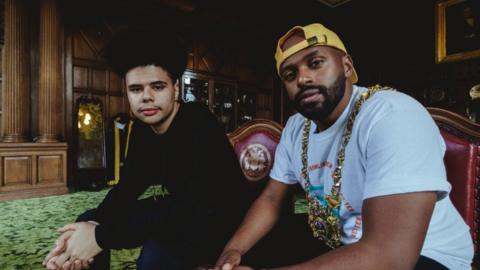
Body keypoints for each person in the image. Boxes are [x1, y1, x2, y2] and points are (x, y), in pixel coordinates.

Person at [214, 23, 474, 269]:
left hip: (424, 256)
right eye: (290, 74)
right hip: (348, 246)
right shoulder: (295, 128)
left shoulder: (392, 114)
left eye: (315, 63)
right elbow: (271, 199)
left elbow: (391, 258)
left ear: (347, 65)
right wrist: (233, 251)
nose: (302, 78)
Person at [42, 27, 250, 270]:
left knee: (155, 255)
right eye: (136, 89)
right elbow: (127, 189)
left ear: (175, 89)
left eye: (157, 87)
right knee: (89, 219)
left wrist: (102, 236)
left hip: (220, 220)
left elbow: (196, 207)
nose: (146, 97)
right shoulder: (142, 129)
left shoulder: (198, 121)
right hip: (179, 210)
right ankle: (72, 258)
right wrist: (85, 234)